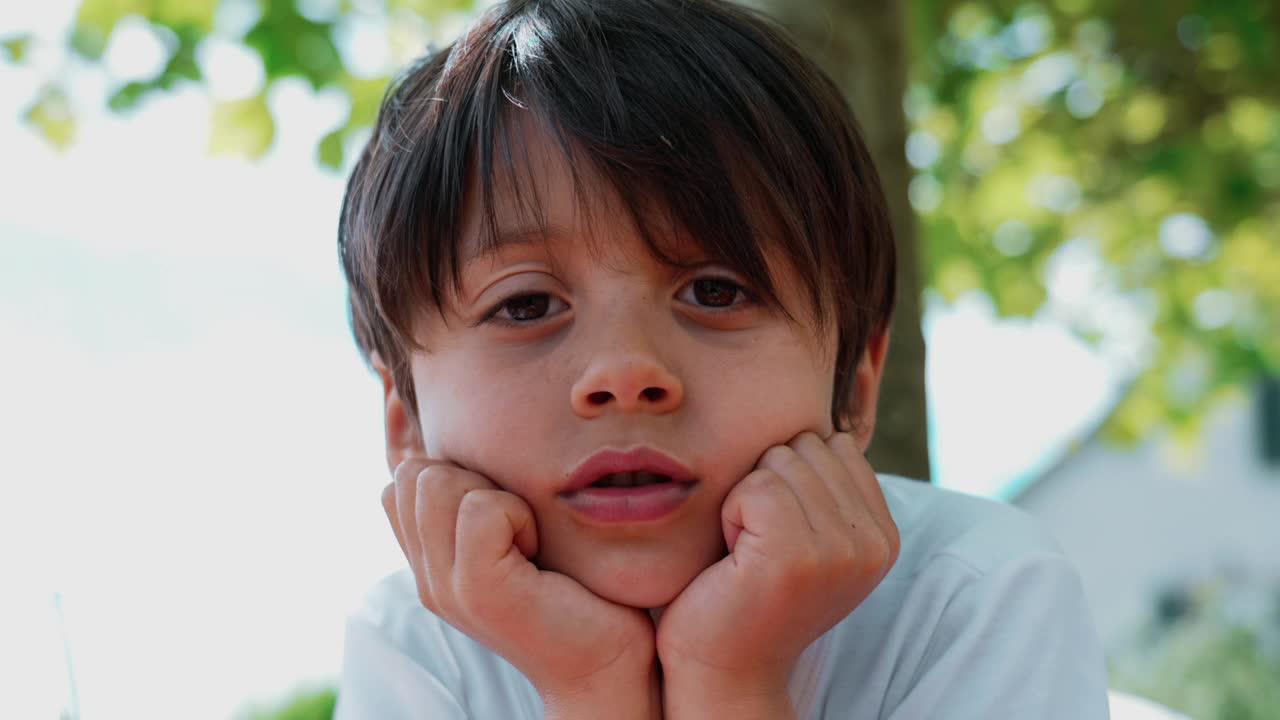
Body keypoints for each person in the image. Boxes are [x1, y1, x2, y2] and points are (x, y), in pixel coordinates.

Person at [332, 0, 1111, 717]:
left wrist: (731, 679)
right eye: (525, 306)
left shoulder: (974, 594)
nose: (625, 373)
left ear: (856, 387)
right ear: (406, 425)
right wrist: (588, 684)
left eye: (714, 291)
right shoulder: (414, 649)